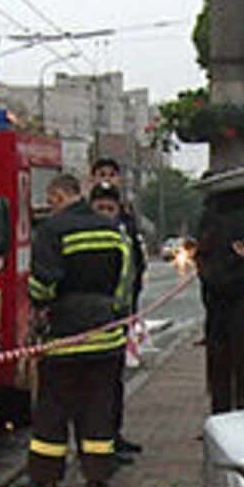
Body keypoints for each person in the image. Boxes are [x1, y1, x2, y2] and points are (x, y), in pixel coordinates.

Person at [25, 172, 131, 487]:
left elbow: (43, 283)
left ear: (57, 196)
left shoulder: (51, 231)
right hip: (106, 333)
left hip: (65, 335)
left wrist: (39, 305)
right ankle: (97, 477)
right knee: (99, 405)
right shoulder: (111, 230)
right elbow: (126, 278)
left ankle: (46, 478)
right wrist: (114, 311)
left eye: (50, 201)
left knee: (53, 409)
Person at [90, 157, 146, 459]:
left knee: (114, 380)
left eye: (112, 174)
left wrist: (132, 305)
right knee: (96, 383)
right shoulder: (86, 219)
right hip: (95, 315)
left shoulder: (127, 218)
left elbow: (135, 264)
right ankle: (100, 445)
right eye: (101, 175)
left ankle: (115, 435)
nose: (106, 179)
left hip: (121, 313)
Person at [195, 207, 244, 414]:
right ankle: (222, 414)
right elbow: (202, 257)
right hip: (219, 302)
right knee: (220, 367)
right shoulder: (210, 220)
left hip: (238, 301)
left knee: (242, 365)